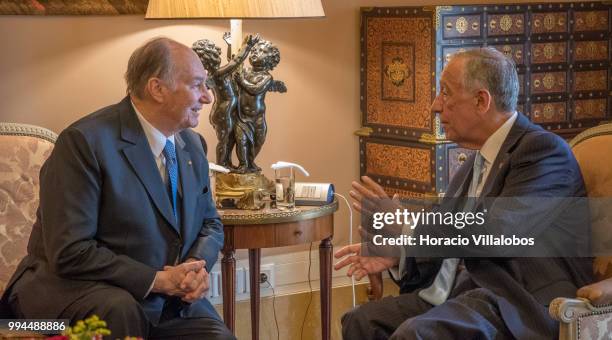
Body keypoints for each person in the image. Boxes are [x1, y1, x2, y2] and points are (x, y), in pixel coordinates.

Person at [335, 48, 593, 339]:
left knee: (416, 333)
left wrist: (407, 226)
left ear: (481, 100)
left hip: (513, 300)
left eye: (445, 93)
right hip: (455, 296)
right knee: (360, 321)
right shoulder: (474, 161)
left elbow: (498, 234)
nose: (435, 105)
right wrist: (400, 253)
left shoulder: (542, 152)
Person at [1, 37, 234, 339]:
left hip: (162, 302)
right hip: (63, 295)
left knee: (217, 336)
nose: (207, 98)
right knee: (120, 312)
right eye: (197, 85)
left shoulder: (191, 145)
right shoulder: (85, 143)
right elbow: (71, 251)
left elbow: (209, 223)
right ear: (157, 88)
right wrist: (157, 279)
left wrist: (192, 267)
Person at [192, 34, 259, 169]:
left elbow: (232, 61)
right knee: (224, 140)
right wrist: (248, 46)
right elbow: (235, 62)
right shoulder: (217, 74)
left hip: (228, 111)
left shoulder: (220, 71)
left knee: (230, 139)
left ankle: (226, 163)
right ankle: (222, 164)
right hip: (223, 111)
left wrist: (230, 45)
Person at [233, 39, 286, 173]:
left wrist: (241, 81)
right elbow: (233, 61)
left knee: (258, 141)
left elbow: (256, 89)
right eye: (254, 50)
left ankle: (251, 162)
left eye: (261, 51)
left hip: (258, 118)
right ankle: (243, 164)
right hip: (241, 116)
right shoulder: (244, 71)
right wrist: (230, 45)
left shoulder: (267, 77)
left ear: (269, 59)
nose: (256, 53)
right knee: (241, 140)